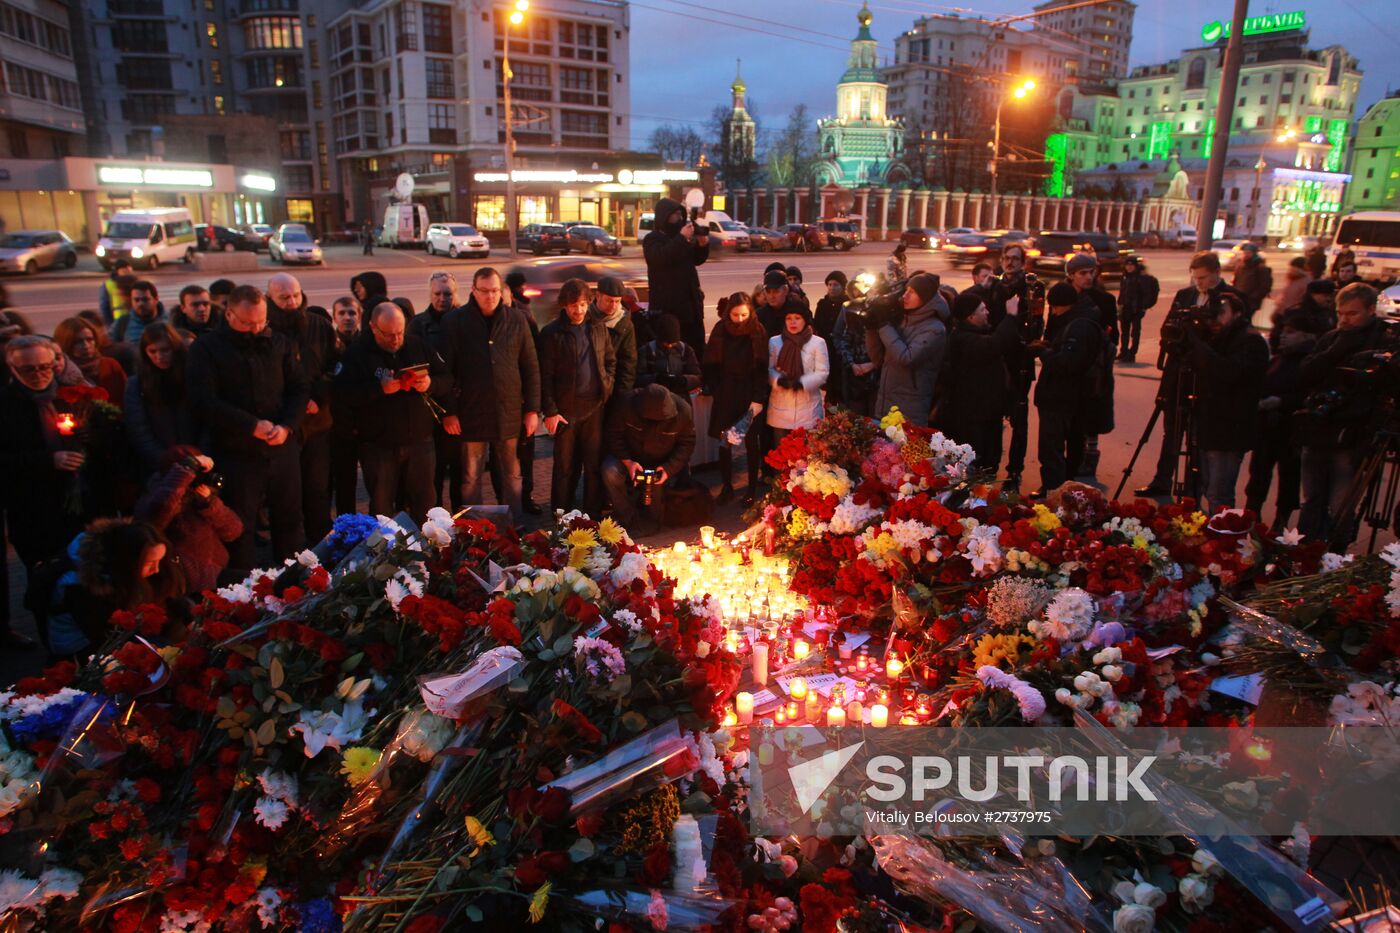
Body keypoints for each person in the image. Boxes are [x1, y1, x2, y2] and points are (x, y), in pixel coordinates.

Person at [187, 285, 309, 575]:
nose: (255, 329)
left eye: (260, 322)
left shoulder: (279, 342)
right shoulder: (206, 349)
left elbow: (299, 388)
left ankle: (292, 580)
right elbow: (203, 401)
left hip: (281, 448)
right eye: (246, 323)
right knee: (240, 526)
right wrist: (250, 425)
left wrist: (287, 425)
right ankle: (241, 587)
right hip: (236, 452)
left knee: (289, 519)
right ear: (229, 314)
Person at [1135, 252, 1246, 498]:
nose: (1200, 283)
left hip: (1204, 376)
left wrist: (1201, 334)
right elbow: (1169, 328)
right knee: (1171, 430)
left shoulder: (1231, 299)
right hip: (1178, 373)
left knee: (1197, 435)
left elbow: (1229, 338)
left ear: (1217, 273)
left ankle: (1194, 489)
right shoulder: (1184, 295)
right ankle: (1162, 479)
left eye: (1204, 278)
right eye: (1196, 278)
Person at [0, 336, 83, 649]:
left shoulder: (66, 397)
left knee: (78, 579)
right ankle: (53, 650)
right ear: (13, 367)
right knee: (45, 583)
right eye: (29, 369)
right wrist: (48, 461)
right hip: (32, 511)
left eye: (46, 366)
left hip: (72, 507)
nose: (40, 374)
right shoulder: (6, 405)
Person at [334, 302, 452, 521]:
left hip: (419, 441)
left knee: (425, 503)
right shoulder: (357, 354)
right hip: (378, 445)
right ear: (373, 327)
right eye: (388, 335)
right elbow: (343, 394)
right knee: (381, 506)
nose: (396, 340)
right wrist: (378, 389)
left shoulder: (417, 346)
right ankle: (386, 553)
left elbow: (446, 379)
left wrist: (430, 384)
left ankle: (427, 550)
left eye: (399, 332)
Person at [1296, 282, 1392, 544]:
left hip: (1353, 437)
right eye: (1341, 313)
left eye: (1352, 313)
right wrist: (1335, 351)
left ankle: (1334, 555)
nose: (1345, 320)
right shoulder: (1332, 338)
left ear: (1372, 310)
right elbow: (1305, 374)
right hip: (1318, 432)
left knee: (1341, 504)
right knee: (1312, 499)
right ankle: (1303, 555)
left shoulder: (1384, 341)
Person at [441, 267, 540, 520]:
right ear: (473, 290)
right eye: (484, 291)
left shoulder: (516, 320)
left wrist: (531, 410)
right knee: (471, 476)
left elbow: (530, 367)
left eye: (495, 290)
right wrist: (450, 411)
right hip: (470, 412)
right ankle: (474, 531)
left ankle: (513, 528)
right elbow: (445, 372)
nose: (490, 296)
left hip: (508, 412)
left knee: (512, 475)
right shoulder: (455, 322)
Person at [1177, 291, 1269, 513]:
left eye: (1221, 313)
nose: (1215, 319)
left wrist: (1197, 342)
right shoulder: (1218, 337)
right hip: (1208, 422)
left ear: (1238, 314)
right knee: (1202, 486)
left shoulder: (1250, 341)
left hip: (1229, 429)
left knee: (1219, 493)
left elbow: (1226, 372)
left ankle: (1223, 538)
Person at [45, 518, 184, 659]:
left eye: (160, 561)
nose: (156, 569)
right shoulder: (83, 587)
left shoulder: (125, 568)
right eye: (150, 563)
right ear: (128, 561)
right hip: (80, 649)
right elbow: (106, 637)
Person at [266, 272, 337, 544]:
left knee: (318, 491)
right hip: (283, 425)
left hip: (318, 423)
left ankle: (321, 546)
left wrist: (317, 397)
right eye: (284, 297)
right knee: (285, 496)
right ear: (270, 298)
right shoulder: (266, 329)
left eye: (296, 295)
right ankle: (289, 554)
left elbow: (334, 368)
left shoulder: (319, 326)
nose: (292, 302)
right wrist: (294, 403)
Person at [537, 278, 617, 514]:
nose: (579, 310)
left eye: (582, 304)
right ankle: (561, 517)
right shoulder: (552, 333)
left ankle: (590, 516)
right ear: (564, 305)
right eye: (573, 305)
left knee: (592, 466)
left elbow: (610, 361)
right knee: (564, 468)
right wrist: (550, 411)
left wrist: (607, 386)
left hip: (594, 407)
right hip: (566, 411)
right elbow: (545, 375)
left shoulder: (597, 326)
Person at [1245, 309, 1327, 532]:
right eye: (1283, 331)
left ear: (1307, 335)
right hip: (1267, 427)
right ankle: (1252, 517)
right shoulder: (1280, 356)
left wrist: (1280, 401)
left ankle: (1280, 523)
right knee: (1259, 474)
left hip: (1292, 429)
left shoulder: (1311, 361)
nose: (1283, 335)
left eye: (1291, 332)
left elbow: (1309, 395)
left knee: (1289, 477)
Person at [135, 450, 243, 593]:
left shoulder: (200, 497)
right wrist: (186, 469)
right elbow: (160, 511)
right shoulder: (157, 498)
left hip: (214, 572)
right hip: (183, 579)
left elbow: (234, 531)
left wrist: (209, 504)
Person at [1032, 282, 1104, 494]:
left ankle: (1054, 491)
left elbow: (1068, 363)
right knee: (1070, 445)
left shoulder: (1078, 326)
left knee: (1051, 448)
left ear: (1067, 305)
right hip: (1071, 397)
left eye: (1055, 307)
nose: (1053, 312)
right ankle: (1063, 489)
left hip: (1059, 397)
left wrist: (1043, 353)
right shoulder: (1079, 320)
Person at [943, 289, 1021, 472]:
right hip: (973, 416)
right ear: (971, 317)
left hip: (986, 412)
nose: (987, 312)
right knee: (975, 463)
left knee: (988, 458)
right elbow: (995, 344)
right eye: (982, 309)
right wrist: (1010, 316)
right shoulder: (964, 339)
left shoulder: (974, 334)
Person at [601, 384, 696, 530]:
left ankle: (653, 519)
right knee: (609, 471)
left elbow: (687, 444)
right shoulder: (626, 403)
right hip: (629, 456)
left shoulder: (683, 411)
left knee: (655, 515)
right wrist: (628, 462)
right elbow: (613, 435)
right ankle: (628, 517)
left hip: (660, 462)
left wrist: (668, 468)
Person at [703, 292, 768, 504]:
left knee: (751, 441)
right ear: (728, 313)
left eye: (743, 315)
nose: (739, 319)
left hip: (749, 393)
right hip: (727, 392)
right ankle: (727, 486)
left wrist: (758, 398)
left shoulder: (757, 330)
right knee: (725, 441)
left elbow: (762, 368)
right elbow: (711, 362)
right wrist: (716, 388)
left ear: (750, 312)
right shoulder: (721, 329)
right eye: (735, 315)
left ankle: (751, 489)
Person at [410, 272, 464, 510]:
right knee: (434, 473)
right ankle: (437, 521)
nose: (443, 298)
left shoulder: (465, 321)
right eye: (438, 294)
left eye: (448, 294)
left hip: (460, 409)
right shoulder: (418, 325)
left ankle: (461, 520)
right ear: (430, 294)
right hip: (429, 411)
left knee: (460, 473)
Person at [867, 272, 947, 426]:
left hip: (909, 412)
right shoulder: (903, 321)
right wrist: (871, 329)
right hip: (885, 407)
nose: (905, 295)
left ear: (925, 298)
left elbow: (906, 358)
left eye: (912, 292)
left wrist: (884, 325)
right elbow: (878, 359)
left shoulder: (935, 329)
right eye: (906, 290)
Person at [1067, 254, 1118, 477]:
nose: (1088, 277)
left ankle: (1090, 457)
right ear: (1071, 276)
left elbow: (1114, 333)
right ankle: (1073, 458)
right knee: (1072, 415)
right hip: (1070, 364)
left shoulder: (1104, 300)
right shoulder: (1065, 296)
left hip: (1095, 367)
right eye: (1082, 273)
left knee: (1092, 414)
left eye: (1091, 272)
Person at [125, 322, 199, 474]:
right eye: (153, 351)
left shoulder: (191, 376)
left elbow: (206, 418)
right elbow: (139, 429)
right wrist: (164, 458)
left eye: (165, 350)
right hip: (159, 462)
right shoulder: (137, 384)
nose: (159, 357)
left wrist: (199, 454)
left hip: (198, 457)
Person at [643, 197, 709, 354]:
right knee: (671, 352)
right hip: (668, 310)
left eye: (681, 214)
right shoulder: (652, 239)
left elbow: (697, 260)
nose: (679, 218)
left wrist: (702, 245)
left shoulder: (682, 239)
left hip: (690, 308)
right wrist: (681, 238)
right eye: (675, 215)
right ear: (665, 216)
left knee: (695, 349)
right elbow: (660, 258)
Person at [766, 304, 829, 443]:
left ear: (805, 320)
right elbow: (769, 369)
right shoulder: (775, 341)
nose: (792, 322)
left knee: (806, 457)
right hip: (780, 408)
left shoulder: (817, 343)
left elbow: (822, 372)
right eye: (788, 318)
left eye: (797, 318)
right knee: (781, 455)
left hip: (808, 409)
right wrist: (779, 381)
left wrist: (801, 383)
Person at [53, 316, 127, 406]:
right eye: (78, 342)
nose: (86, 345)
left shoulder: (110, 365)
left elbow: (126, 398)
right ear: (66, 343)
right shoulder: (60, 371)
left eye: (89, 339)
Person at [831, 282, 879, 417]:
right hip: (854, 377)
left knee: (876, 418)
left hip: (876, 376)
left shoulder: (880, 311)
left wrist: (874, 364)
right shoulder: (848, 310)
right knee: (856, 418)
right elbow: (840, 336)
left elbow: (886, 344)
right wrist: (852, 364)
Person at [592, 276, 637, 409]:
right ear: (598, 296)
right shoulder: (585, 317)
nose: (613, 306)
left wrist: (621, 397)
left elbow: (628, 363)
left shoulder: (624, 325)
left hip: (611, 393)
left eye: (617, 302)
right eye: (609, 301)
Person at [637, 314, 702, 395]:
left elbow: (698, 377)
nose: (669, 346)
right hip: (655, 396)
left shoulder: (686, 350)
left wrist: (684, 380)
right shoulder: (646, 350)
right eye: (666, 343)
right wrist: (656, 378)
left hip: (680, 394)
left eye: (673, 343)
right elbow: (638, 378)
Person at [110, 280, 167, 370]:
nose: (140, 304)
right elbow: (111, 349)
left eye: (145, 299)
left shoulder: (170, 322)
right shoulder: (122, 323)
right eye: (136, 300)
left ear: (156, 299)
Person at [1116, 256, 1160, 363]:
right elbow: (1123, 292)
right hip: (1125, 308)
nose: (1129, 267)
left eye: (1131, 265)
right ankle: (1123, 352)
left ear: (1135, 266)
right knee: (1124, 332)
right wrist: (1120, 304)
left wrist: (1144, 307)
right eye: (1127, 265)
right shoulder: (1125, 277)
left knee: (1135, 333)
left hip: (1136, 309)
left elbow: (1147, 294)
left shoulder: (1142, 278)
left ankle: (1132, 354)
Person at [757, 269, 811, 339]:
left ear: (785, 290)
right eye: (768, 292)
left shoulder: (798, 309)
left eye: (776, 291)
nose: (772, 296)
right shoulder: (760, 315)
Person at [1232, 242, 1273, 315]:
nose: (1245, 255)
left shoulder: (1260, 267)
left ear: (1254, 254)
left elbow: (1265, 286)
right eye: (1244, 253)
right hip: (1238, 299)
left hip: (1251, 302)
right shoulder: (1240, 266)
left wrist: (1253, 297)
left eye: (1248, 253)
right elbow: (1236, 281)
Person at [813, 271, 847, 344]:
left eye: (836, 285)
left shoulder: (847, 304)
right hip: (825, 344)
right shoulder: (822, 304)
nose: (832, 288)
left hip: (842, 345)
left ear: (842, 287)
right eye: (829, 284)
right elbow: (816, 325)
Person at [98, 259, 133, 324]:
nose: (127, 272)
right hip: (118, 320)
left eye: (129, 270)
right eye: (124, 270)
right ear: (117, 271)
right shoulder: (108, 285)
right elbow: (104, 307)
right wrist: (109, 324)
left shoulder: (135, 282)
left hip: (133, 319)